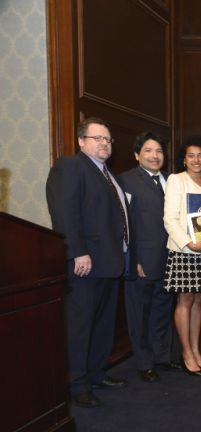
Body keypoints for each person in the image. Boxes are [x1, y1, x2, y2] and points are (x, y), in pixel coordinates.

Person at [46, 117, 130, 407]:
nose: (104, 143)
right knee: (81, 326)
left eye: (107, 139)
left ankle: (96, 373)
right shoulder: (71, 166)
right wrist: (77, 251)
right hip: (86, 263)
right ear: (81, 141)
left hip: (110, 263)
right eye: (98, 138)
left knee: (104, 325)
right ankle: (76, 383)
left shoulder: (110, 175)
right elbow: (65, 213)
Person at [118, 131, 179, 383]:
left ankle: (162, 356)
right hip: (142, 261)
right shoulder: (124, 181)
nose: (155, 156)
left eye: (159, 151)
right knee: (139, 314)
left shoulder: (172, 180)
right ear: (136, 155)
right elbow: (123, 224)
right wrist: (134, 260)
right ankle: (144, 362)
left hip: (171, 258)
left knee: (163, 310)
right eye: (148, 151)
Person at [163, 136, 201, 376]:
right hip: (186, 251)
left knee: (200, 301)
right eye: (191, 156)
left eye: (200, 155)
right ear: (183, 159)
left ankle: (196, 349)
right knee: (185, 301)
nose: (196, 160)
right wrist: (189, 243)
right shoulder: (176, 180)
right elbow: (170, 219)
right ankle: (186, 352)